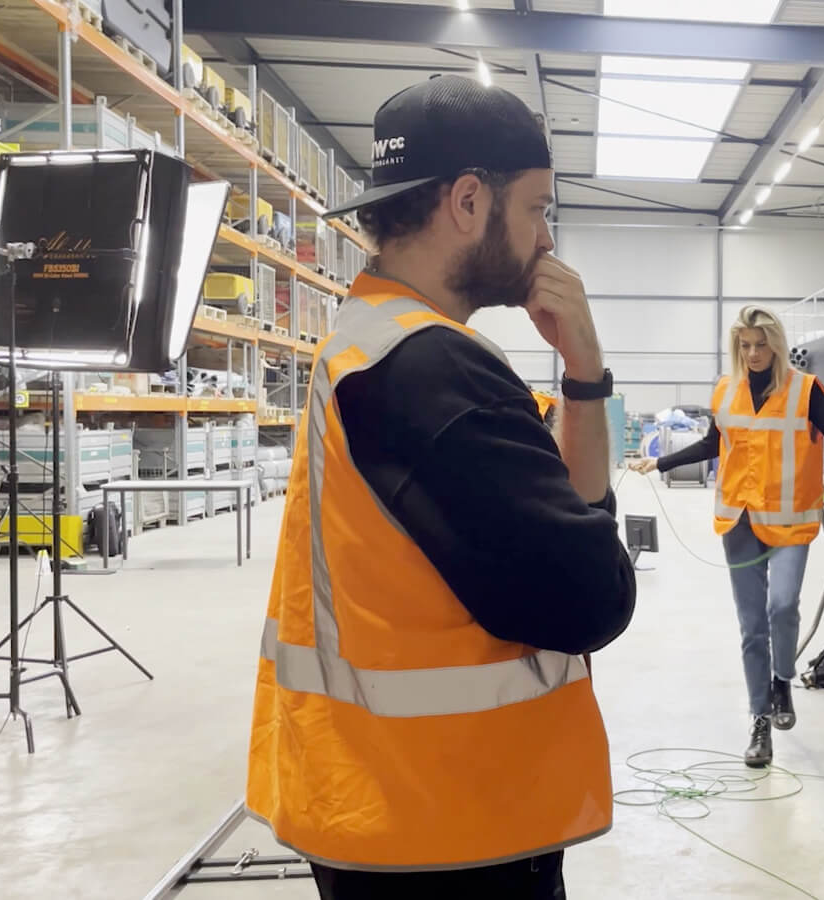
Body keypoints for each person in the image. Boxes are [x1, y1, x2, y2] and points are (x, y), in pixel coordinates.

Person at [246, 75, 636, 900]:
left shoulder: (366, 343)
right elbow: (590, 599)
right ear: (467, 201)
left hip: (383, 809)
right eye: (536, 208)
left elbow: (555, 524)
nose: (546, 238)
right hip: (449, 830)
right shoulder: (432, 372)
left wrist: (583, 379)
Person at [629, 305, 824, 768]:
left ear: (776, 344)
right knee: (751, 627)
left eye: (761, 344)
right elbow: (715, 443)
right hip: (740, 521)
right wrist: (660, 462)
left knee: (783, 605)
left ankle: (782, 681)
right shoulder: (726, 390)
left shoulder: (804, 390)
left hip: (790, 520)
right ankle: (759, 722)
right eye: (745, 345)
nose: (752, 353)